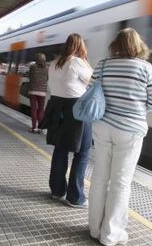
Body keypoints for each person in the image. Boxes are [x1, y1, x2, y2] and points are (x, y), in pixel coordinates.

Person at [88, 28, 152, 246]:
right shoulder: (145, 69)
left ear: (116, 45)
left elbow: (91, 92)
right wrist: (135, 107)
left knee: (100, 178)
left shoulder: (102, 65)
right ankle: (110, 235)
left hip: (102, 127)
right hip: (130, 131)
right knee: (120, 183)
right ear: (138, 45)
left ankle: (94, 228)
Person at [42, 33, 93, 208]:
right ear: (80, 46)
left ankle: (57, 191)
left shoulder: (55, 63)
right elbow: (91, 82)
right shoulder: (77, 62)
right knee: (83, 152)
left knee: (60, 150)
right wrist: (85, 62)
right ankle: (75, 197)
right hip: (76, 110)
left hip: (57, 108)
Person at [28, 53, 48, 133]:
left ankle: (34, 127)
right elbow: (47, 78)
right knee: (41, 109)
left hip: (32, 90)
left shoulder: (32, 67)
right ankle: (40, 128)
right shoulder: (47, 68)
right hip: (42, 92)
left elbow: (30, 76)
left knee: (33, 109)